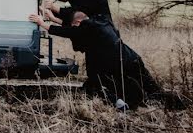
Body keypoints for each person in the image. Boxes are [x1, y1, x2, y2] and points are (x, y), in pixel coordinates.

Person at [29, 10, 162, 110]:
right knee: (151, 88)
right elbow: (74, 30)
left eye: (76, 27)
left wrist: (43, 24)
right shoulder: (101, 23)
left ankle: (124, 106)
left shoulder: (87, 27)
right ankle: (164, 103)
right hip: (132, 58)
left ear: (78, 23)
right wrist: (53, 18)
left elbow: (71, 32)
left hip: (119, 64)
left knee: (104, 86)